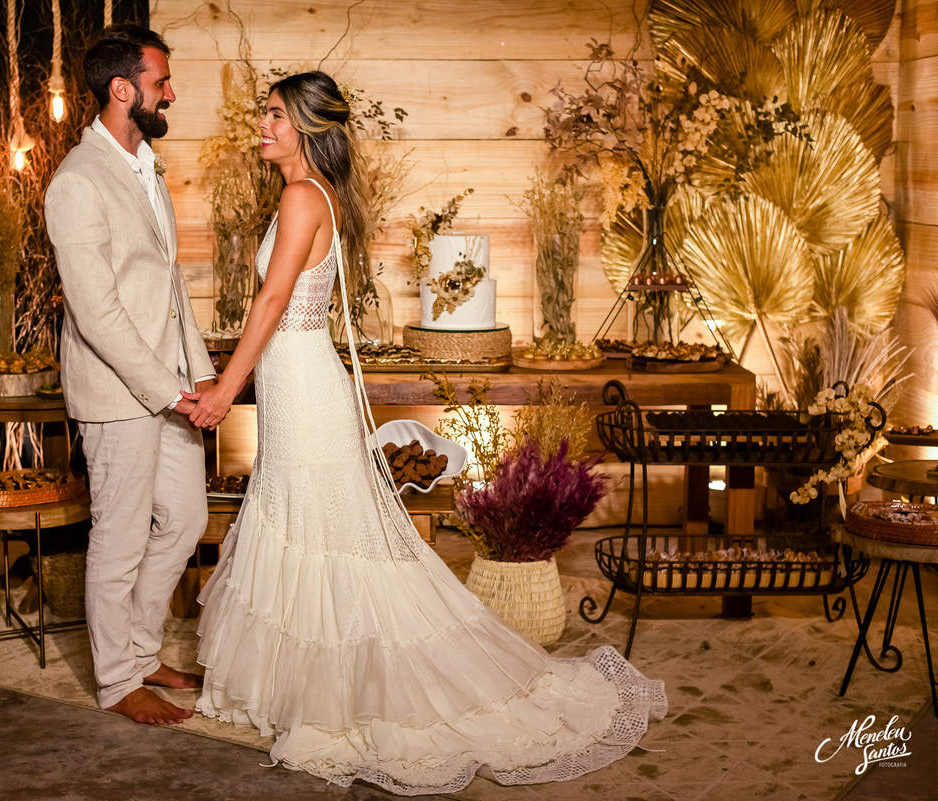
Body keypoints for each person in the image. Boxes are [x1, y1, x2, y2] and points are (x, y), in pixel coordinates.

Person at [188, 71, 668, 794]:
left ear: (311, 128)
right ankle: (309, 686)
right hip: (297, 382)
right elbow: (279, 305)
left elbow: (276, 297)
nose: (263, 125)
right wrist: (232, 379)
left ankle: (349, 693)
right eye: (264, 114)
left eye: (276, 115)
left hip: (306, 387)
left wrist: (226, 387)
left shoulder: (299, 195)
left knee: (331, 537)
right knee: (309, 529)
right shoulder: (311, 195)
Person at [44, 24, 213, 726]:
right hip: (119, 394)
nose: (170, 92)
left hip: (170, 381)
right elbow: (98, 313)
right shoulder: (76, 182)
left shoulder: (148, 167)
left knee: (186, 518)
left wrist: (195, 377)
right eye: (161, 81)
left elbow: (166, 288)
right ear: (123, 89)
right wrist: (169, 389)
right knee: (118, 537)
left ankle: (142, 649)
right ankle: (117, 680)